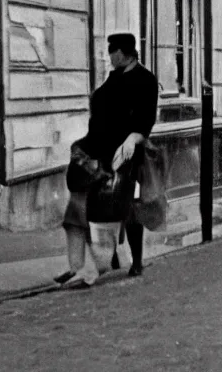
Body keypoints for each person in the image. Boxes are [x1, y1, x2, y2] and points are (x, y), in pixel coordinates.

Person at [55, 33, 159, 287]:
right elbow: (101, 108)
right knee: (78, 209)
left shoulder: (146, 80)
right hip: (97, 150)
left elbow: (144, 122)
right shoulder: (114, 78)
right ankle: (78, 266)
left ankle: (133, 260)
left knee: (126, 208)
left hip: (127, 155)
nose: (109, 57)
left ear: (122, 53)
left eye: (111, 52)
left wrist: (130, 142)